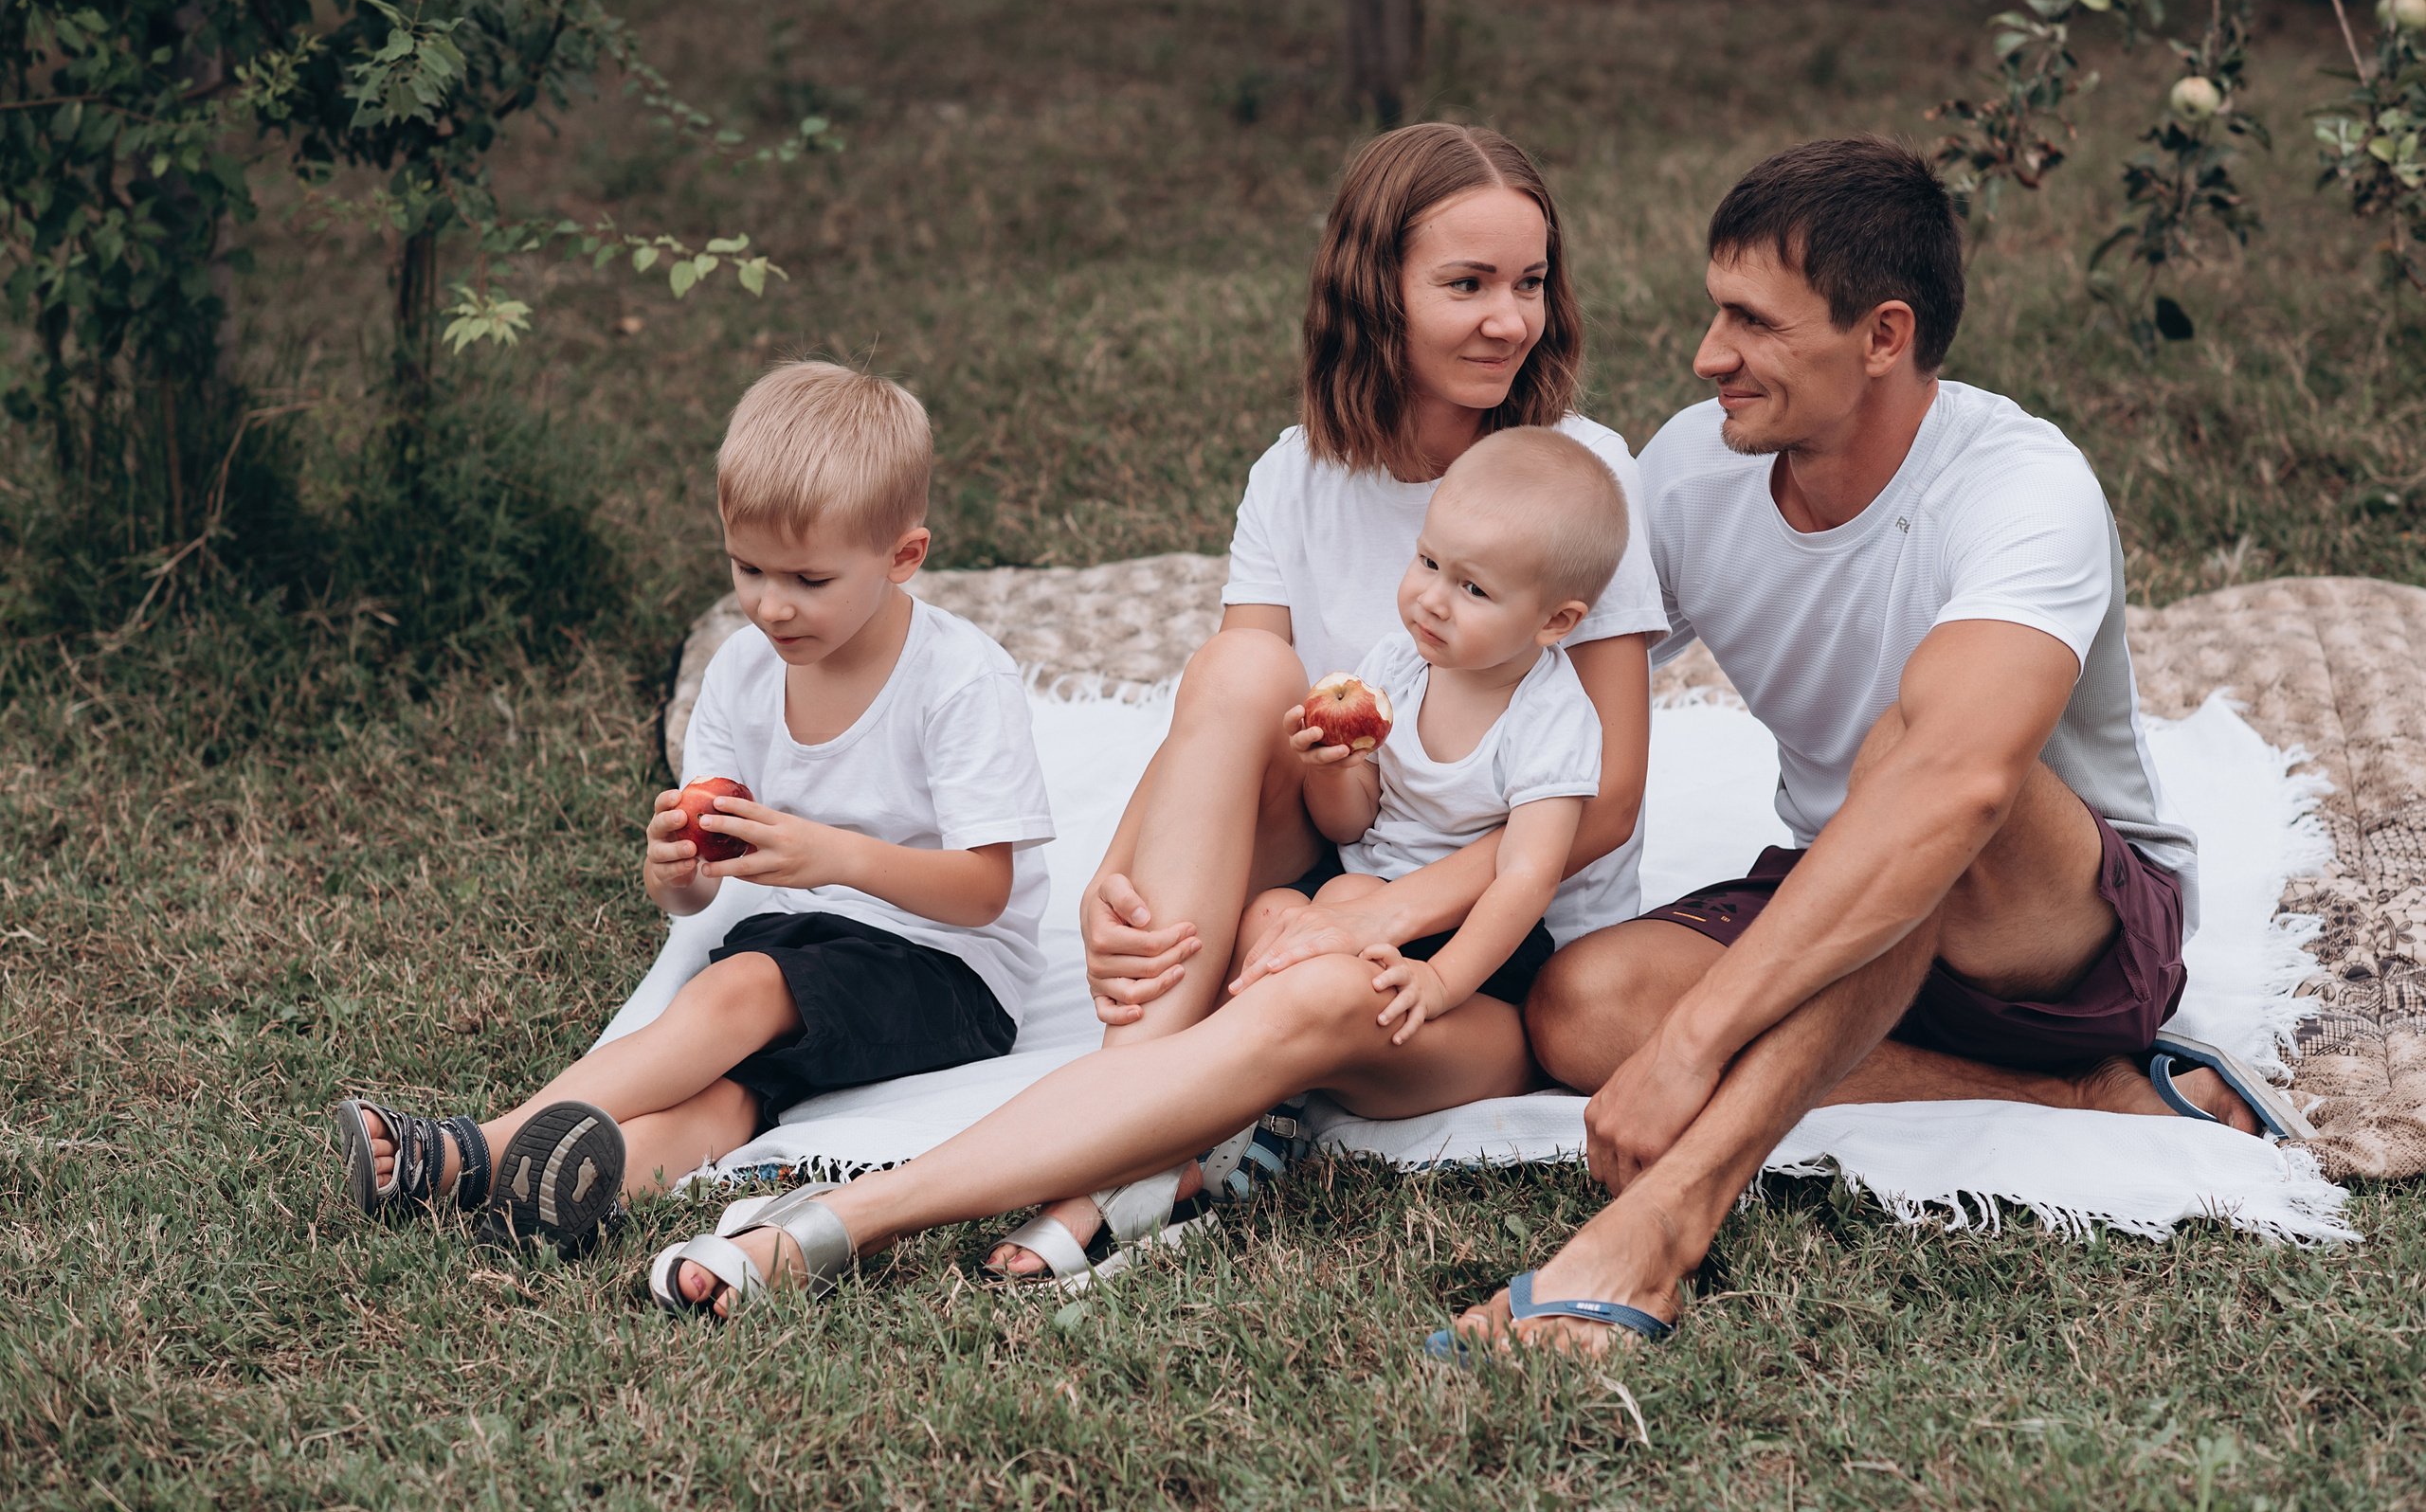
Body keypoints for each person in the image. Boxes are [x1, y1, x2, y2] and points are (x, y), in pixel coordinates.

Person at [647, 122, 1671, 1312]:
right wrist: (1113, 876)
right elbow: (1225, 716)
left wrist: (1384, 911)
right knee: (1242, 665)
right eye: (1467, 283)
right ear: (1371, 292)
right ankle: (1145, 1105)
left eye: (1530, 282)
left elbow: (1606, 802)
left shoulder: (1578, 477)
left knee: (1309, 982)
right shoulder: (1297, 473)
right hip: (1332, 875)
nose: (1510, 318)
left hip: (1487, 961)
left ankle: (854, 1220)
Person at [1441, 135, 2313, 1358]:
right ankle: (2080, 1097)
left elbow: (1958, 786)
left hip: (2063, 929)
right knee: (1584, 1008)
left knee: (1917, 753)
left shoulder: (2020, 485)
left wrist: (1697, 1042)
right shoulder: (1693, 472)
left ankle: (1665, 1228)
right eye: (1714, 312)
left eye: (1752, 323)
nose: (1706, 358)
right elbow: (1548, 675)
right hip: (1857, 894)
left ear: (1883, 335)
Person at [332, 361, 1056, 1256]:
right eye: (747, 568)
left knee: (739, 990)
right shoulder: (743, 671)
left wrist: (832, 856)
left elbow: (987, 891)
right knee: (729, 1093)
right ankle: (562, 1199)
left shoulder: (957, 679)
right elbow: (700, 895)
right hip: (814, 947)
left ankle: (474, 1147)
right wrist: (677, 877)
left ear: (904, 556)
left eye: (809, 579)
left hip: (952, 972)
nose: (770, 603)